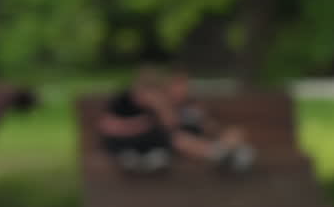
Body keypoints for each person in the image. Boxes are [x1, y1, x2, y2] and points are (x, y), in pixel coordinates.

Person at [96, 66, 254, 173]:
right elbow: (108, 126)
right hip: (130, 144)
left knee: (231, 133)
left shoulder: (162, 104)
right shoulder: (123, 100)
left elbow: (170, 124)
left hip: (165, 140)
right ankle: (223, 153)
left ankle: (228, 152)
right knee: (176, 139)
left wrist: (161, 107)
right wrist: (139, 124)